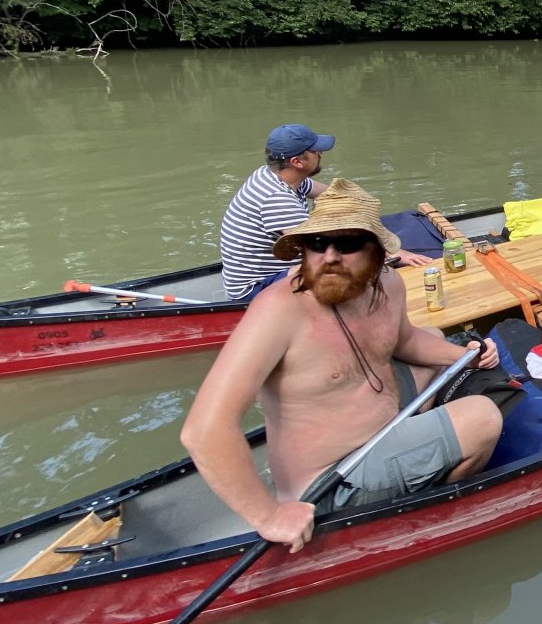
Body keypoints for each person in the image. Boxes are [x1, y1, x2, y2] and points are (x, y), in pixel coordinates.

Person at [184, 179, 503, 552]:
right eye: (317, 243)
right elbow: (204, 430)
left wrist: (465, 356)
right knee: (483, 417)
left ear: (378, 254)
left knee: (433, 335)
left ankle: (417, 461)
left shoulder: (387, 283)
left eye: (348, 243)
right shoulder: (276, 309)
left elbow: (404, 341)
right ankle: (427, 515)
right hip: (333, 481)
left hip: (376, 426)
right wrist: (268, 517)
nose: (330, 257)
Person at [220, 124, 430, 301]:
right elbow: (320, 248)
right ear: (297, 162)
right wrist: (394, 254)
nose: (320, 154)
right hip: (257, 287)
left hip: (275, 269)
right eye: (315, 151)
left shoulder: (280, 175)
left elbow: (335, 195)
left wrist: (363, 211)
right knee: (357, 266)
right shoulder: (276, 198)